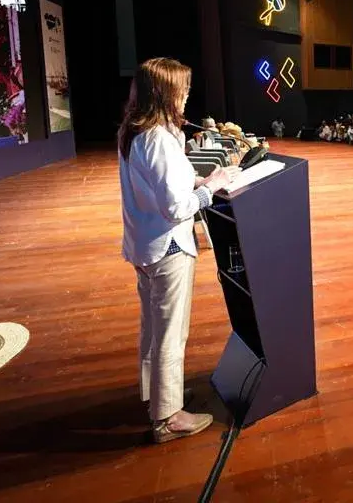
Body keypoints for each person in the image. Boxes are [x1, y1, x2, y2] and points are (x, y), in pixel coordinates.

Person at [118, 57, 238, 443]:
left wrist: (197, 179)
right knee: (171, 332)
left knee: (152, 328)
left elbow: (160, 188)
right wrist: (211, 185)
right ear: (164, 93)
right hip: (168, 246)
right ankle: (168, 418)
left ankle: (156, 396)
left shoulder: (136, 132)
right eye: (182, 90)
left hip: (144, 245)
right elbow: (175, 207)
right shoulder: (158, 139)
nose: (187, 97)